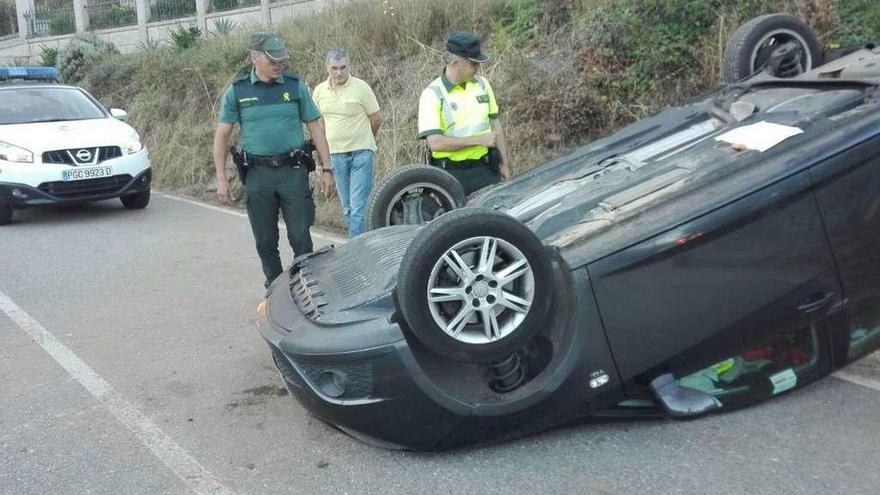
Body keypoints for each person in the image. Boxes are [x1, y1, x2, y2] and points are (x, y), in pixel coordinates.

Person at [212, 32, 335, 288]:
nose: (280, 66)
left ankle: (306, 285)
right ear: (254, 58)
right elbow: (222, 135)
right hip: (258, 176)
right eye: (273, 61)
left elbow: (315, 128)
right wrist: (221, 178)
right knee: (265, 240)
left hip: (293, 173)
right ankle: (276, 286)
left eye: (282, 61)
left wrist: (327, 168)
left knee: (301, 235)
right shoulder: (238, 91)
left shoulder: (295, 87)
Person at [417, 31, 511, 195]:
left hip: (487, 170)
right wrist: (478, 140)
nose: (478, 68)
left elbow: (495, 125)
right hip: (451, 177)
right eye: (473, 63)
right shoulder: (432, 94)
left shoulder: (483, 85)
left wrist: (504, 165)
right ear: (455, 63)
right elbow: (435, 143)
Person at [312, 48, 382, 237]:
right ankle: (363, 243)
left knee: (359, 207)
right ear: (327, 67)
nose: (339, 72)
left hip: (361, 154)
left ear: (349, 66)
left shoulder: (361, 87)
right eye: (334, 68)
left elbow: (376, 119)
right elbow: (319, 124)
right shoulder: (319, 91)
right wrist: (323, 157)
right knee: (348, 208)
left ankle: (355, 250)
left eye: (343, 67)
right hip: (336, 156)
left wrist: (368, 142)